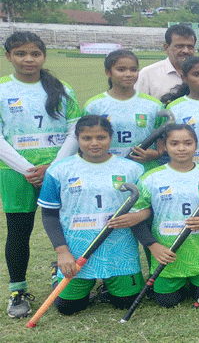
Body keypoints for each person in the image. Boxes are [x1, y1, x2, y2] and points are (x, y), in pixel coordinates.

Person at [1, 31, 81, 318]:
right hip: (16, 174)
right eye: (20, 53)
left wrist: (54, 168)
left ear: (43, 56)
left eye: (35, 53)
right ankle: (17, 291)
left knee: (66, 227)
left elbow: (75, 130)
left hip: (59, 173)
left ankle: (63, 275)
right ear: (8, 56)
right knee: (19, 231)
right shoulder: (2, 89)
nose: (28, 59)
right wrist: (27, 169)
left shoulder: (63, 89)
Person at [37, 115, 146, 316]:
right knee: (68, 308)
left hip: (120, 251)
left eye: (101, 137)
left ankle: (109, 284)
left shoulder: (133, 169)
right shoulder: (58, 170)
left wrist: (138, 216)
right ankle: (57, 274)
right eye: (87, 138)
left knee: (126, 303)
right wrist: (62, 252)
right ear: (77, 139)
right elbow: (49, 215)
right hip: (76, 252)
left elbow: (148, 207)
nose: (94, 143)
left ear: (110, 138)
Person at [132, 124, 199, 308]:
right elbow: (136, 218)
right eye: (174, 143)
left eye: (188, 143)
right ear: (165, 146)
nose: (181, 148)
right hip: (168, 257)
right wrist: (153, 246)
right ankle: (178, 281)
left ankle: (194, 280)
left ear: (196, 145)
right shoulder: (150, 178)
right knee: (167, 302)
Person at [84, 50, 165, 168]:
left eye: (133, 70)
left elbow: (162, 136)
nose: (128, 74)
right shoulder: (94, 105)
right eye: (121, 70)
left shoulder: (154, 105)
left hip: (144, 169)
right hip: (106, 169)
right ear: (108, 72)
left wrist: (158, 153)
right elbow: (83, 139)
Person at [136, 24, 197, 100]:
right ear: (166, 48)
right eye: (180, 46)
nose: (186, 51)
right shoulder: (147, 74)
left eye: (190, 47)